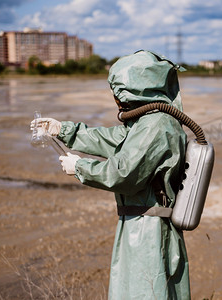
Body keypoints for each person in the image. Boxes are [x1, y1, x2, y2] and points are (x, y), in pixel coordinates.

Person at [32, 50, 190, 299]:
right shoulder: (145, 123)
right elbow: (112, 139)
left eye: (118, 92)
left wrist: (80, 167)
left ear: (134, 89)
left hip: (149, 229)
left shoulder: (158, 125)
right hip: (137, 224)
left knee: (148, 292)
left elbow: (124, 174)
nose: (116, 99)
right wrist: (63, 130)